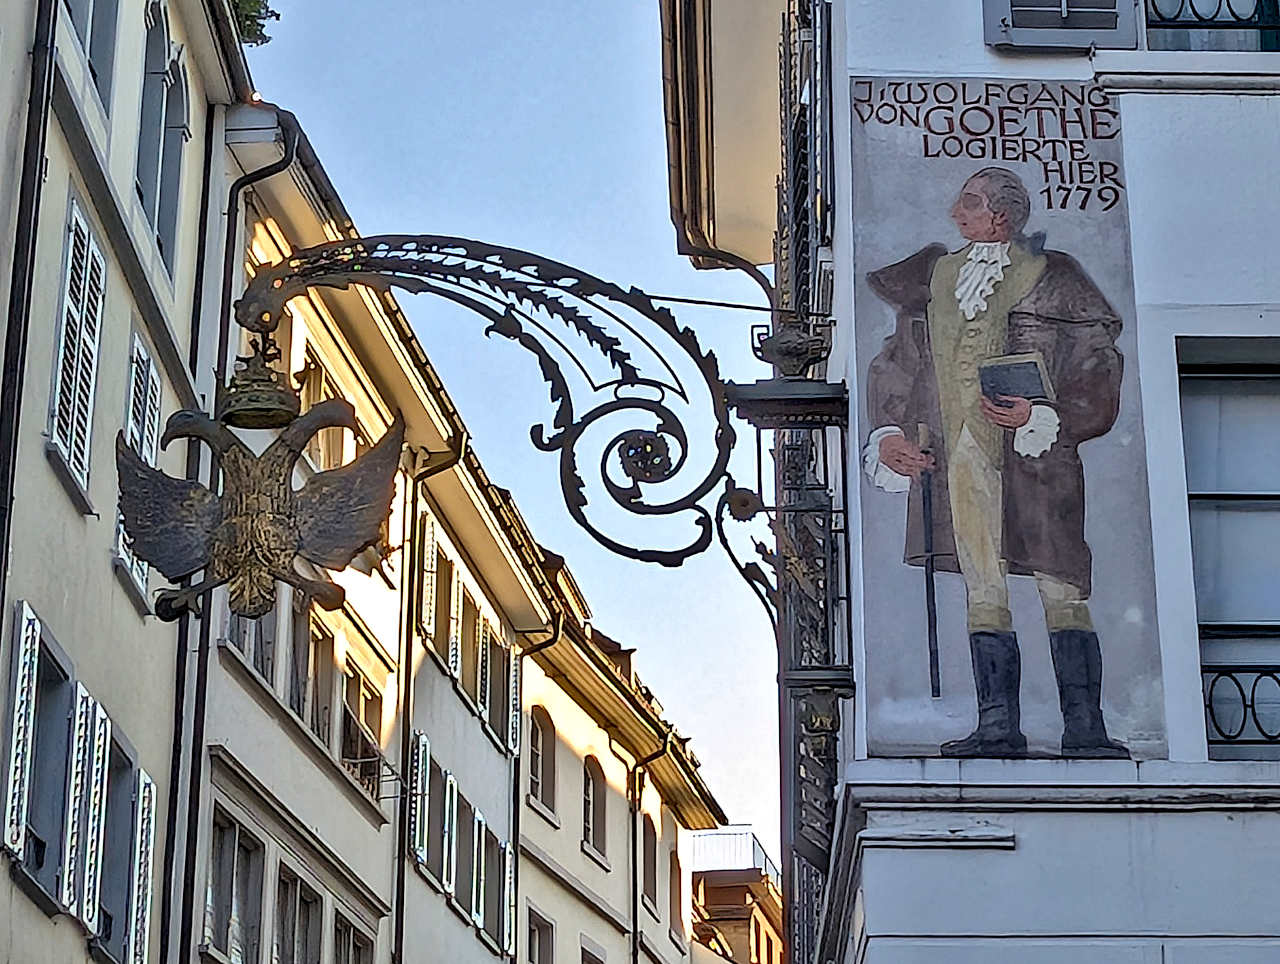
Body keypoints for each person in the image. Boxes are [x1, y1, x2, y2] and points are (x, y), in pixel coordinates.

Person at [863, 166, 1128, 758]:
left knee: (1061, 583)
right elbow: (899, 361)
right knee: (983, 586)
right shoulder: (934, 279)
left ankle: (1085, 729)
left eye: (971, 205)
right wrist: (888, 434)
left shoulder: (1057, 277)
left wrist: (1045, 414)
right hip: (958, 451)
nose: (958, 216)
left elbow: (1098, 361)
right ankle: (997, 726)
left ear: (1002, 215)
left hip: (1039, 456)